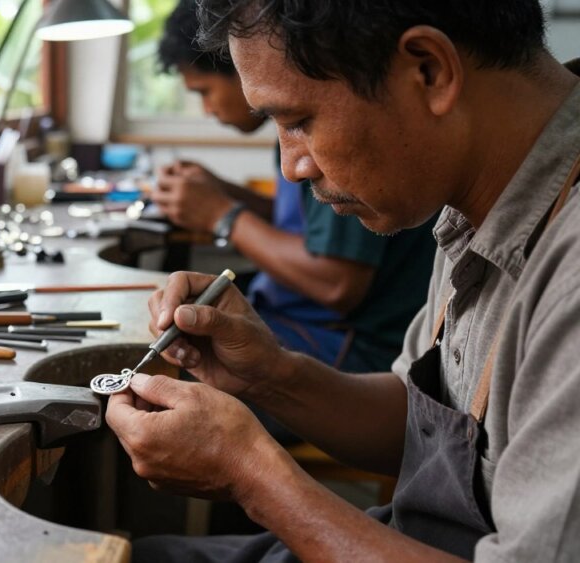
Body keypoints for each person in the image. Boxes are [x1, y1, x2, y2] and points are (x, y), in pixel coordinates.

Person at [107, 0, 580, 561]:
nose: (291, 167)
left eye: (299, 122)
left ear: (428, 70)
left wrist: (250, 473)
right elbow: (420, 423)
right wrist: (270, 375)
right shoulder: (475, 200)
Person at [151, 0, 436, 374]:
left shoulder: (334, 147)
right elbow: (305, 226)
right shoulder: (298, 143)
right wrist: (224, 193)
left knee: (164, 370)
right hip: (301, 322)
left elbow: (337, 285)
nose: (293, 169)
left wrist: (222, 215)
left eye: (204, 91)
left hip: (347, 344)